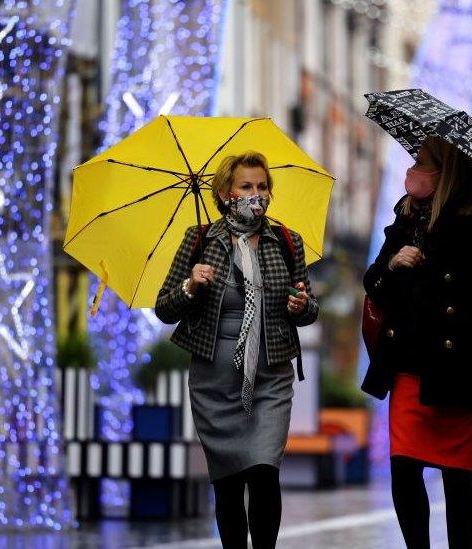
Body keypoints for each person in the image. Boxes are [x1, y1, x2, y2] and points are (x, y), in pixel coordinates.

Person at [362, 136, 472, 549]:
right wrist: (394, 264)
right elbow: (374, 284)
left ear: (446, 173)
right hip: (409, 364)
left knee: (457, 476)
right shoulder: (404, 220)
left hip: (461, 369)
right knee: (403, 468)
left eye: (422, 161)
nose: (413, 169)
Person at [155, 151, 318, 549]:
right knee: (228, 484)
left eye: (262, 187)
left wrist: (301, 307)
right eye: (247, 187)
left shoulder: (286, 241)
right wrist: (190, 286)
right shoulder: (199, 241)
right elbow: (164, 308)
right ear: (227, 192)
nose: (256, 194)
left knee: (264, 473)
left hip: (269, 377)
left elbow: (309, 308)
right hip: (214, 380)